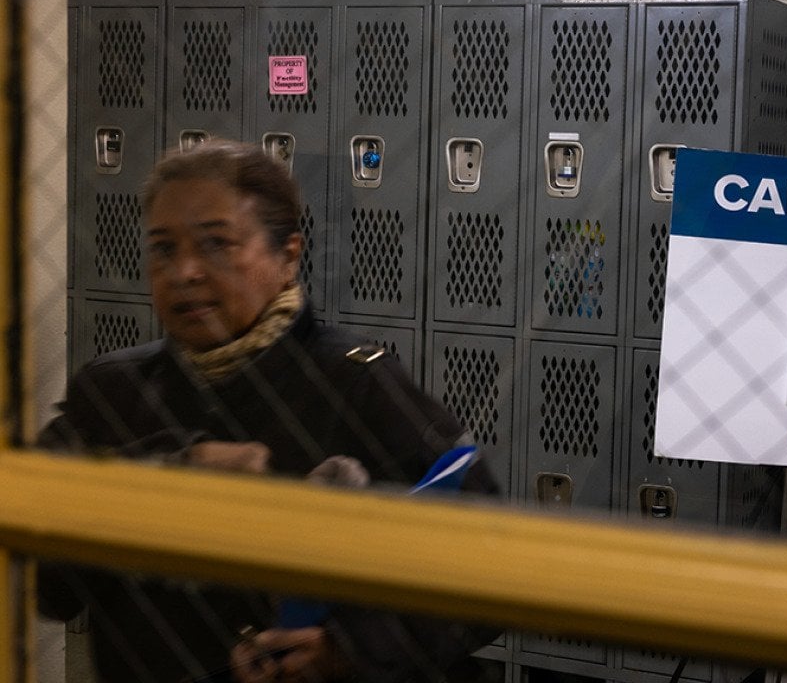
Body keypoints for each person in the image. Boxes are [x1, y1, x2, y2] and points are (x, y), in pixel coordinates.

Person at [36, 139, 500, 682]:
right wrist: (169, 477)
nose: (184, 272)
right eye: (163, 249)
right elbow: (49, 586)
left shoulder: (358, 384)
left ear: (288, 257)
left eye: (216, 245)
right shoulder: (111, 392)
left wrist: (347, 651)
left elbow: (486, 570)